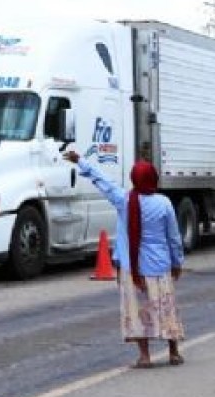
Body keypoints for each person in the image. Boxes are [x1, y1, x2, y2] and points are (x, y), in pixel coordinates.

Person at [64, 151, 185, 368]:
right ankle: (173, 352)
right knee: (165, 308)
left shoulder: (124, 200)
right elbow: (174, 237)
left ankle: (145, 356)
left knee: (137, 311)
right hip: (159, 265)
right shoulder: (164, 203)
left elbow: (103, 181)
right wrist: (177, 262)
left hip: (133, 267)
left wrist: (80, 160)